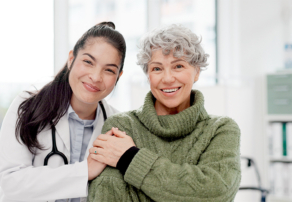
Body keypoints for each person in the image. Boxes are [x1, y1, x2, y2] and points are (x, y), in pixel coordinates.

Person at [88, 24, 241, 202]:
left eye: (178, 66)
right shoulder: (122, 126)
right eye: (157, 69)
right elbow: (106, 197)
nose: (167, 79)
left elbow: (216, 192)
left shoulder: (220, 129)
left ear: (197, 71)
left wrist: (130, 158)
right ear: (148, 75)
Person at [0, 22, 126, 202]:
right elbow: (10, 182)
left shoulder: (119, 128)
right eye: (88, 62)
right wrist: (84, 172)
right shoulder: (27, 107)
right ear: (71, 59)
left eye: (109, 70)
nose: (96, 77)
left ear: (118, 77)